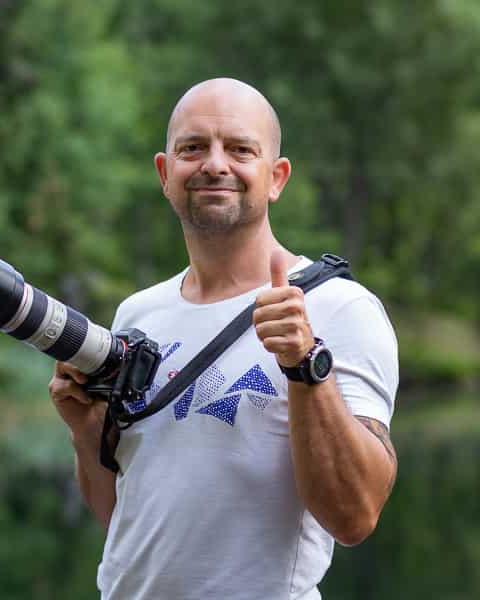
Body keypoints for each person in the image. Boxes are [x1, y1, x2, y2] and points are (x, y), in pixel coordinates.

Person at [48, 78, 399, 600]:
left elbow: (355, 516)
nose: (214, 165)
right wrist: (86, 433)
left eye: (239, 149)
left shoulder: (338, 309)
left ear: (275, 177)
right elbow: (127, 524)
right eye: (193, 148)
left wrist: (305, 364)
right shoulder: (138, 315)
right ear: (165, 174)